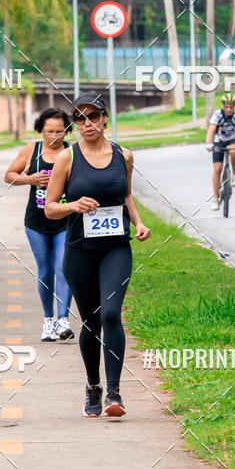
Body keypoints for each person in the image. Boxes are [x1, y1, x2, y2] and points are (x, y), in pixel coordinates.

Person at [45, 93, 151, 418]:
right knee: (91, 321)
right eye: (79, 118)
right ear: (74, 125)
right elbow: (49, 208)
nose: (87, 123)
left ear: (105, 118)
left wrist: (138, 222)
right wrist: (73, 205)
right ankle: (93, 386)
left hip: (116, 247)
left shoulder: (124, 155)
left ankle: (114, 392)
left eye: (93, 116)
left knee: (110, 313)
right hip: (79, 250)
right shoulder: (67, 158)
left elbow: (127, 193)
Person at [4, 109, 74, 342]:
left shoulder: (72, 152)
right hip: (36, 222)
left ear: (66, 130)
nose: (54, 136)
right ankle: (48, 320)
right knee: (45, 271)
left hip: (65, 221)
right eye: (48, 131)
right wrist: (30, 179)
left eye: (58, 131)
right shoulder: (31, 150)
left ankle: (63, 320)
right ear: (41, 130)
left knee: (64, 268)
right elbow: (9, 175)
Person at [206, 94, 235, 209]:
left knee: (234, 151)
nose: (229, 109)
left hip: (231, 139)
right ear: (223, 107)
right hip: (219, 141)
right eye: (226, 107)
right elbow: (211, 130)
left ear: (234, 107)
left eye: (231, 107)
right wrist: (208, 143)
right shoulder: (217, 114)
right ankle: (215, 199)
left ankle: (234, 175)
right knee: (217, 169)